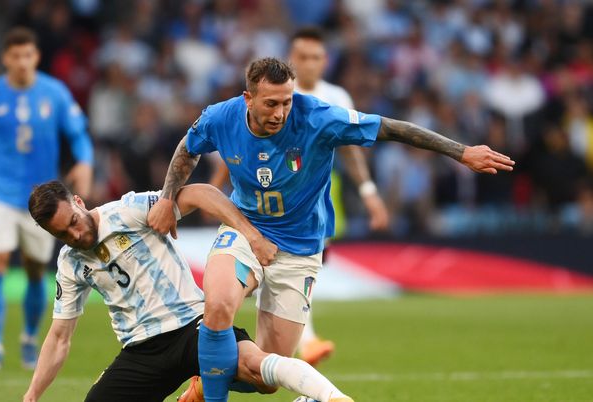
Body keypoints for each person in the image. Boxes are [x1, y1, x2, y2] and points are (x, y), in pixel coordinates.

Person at [147, 57, 514, 402]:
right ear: (248, 98)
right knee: (218, 307)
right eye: (271, 103)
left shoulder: (317, 117)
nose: (281, 113)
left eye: (287, 102)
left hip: (300, 248)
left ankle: (204, 380)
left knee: (266, 377)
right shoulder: (220, 118)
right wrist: (167, 197)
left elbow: (390, 128)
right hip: (245, 230)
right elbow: (187, 148)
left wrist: (461, 152)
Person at [22, 180, 354, 402]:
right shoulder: (69, 264)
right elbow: (60, 337)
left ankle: (330, 399)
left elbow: (199, 193)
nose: (75, 234)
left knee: (260, 374)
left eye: (74, 221)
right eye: (63, 233)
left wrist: (248, 233)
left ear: (79, 202)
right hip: (141, 352)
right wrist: (32, 395)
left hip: (194, 329)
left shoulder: (128, 211)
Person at [207, 27, 390, 367]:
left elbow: (351, 148)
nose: (310, 64)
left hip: (313, 201)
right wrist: (214, 190)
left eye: (317, 58)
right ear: (291, 60)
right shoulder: (263, 98)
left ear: (325, 62)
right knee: (254, 277)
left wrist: (368, 192)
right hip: (258, 208)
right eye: (303, 57)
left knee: (295, 269)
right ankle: (304, 340)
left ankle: (293, 339)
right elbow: (233, 148)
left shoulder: (332, 99)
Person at [0, 27, 94, 371]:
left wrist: (85, 162)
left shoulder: (55, 94)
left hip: (41, 203)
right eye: (15, 56)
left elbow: (78, 135)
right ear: (6, 58)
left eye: (27, 55)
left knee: (34, 271)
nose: (21, 62)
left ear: (36, 57)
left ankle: (30, 341)